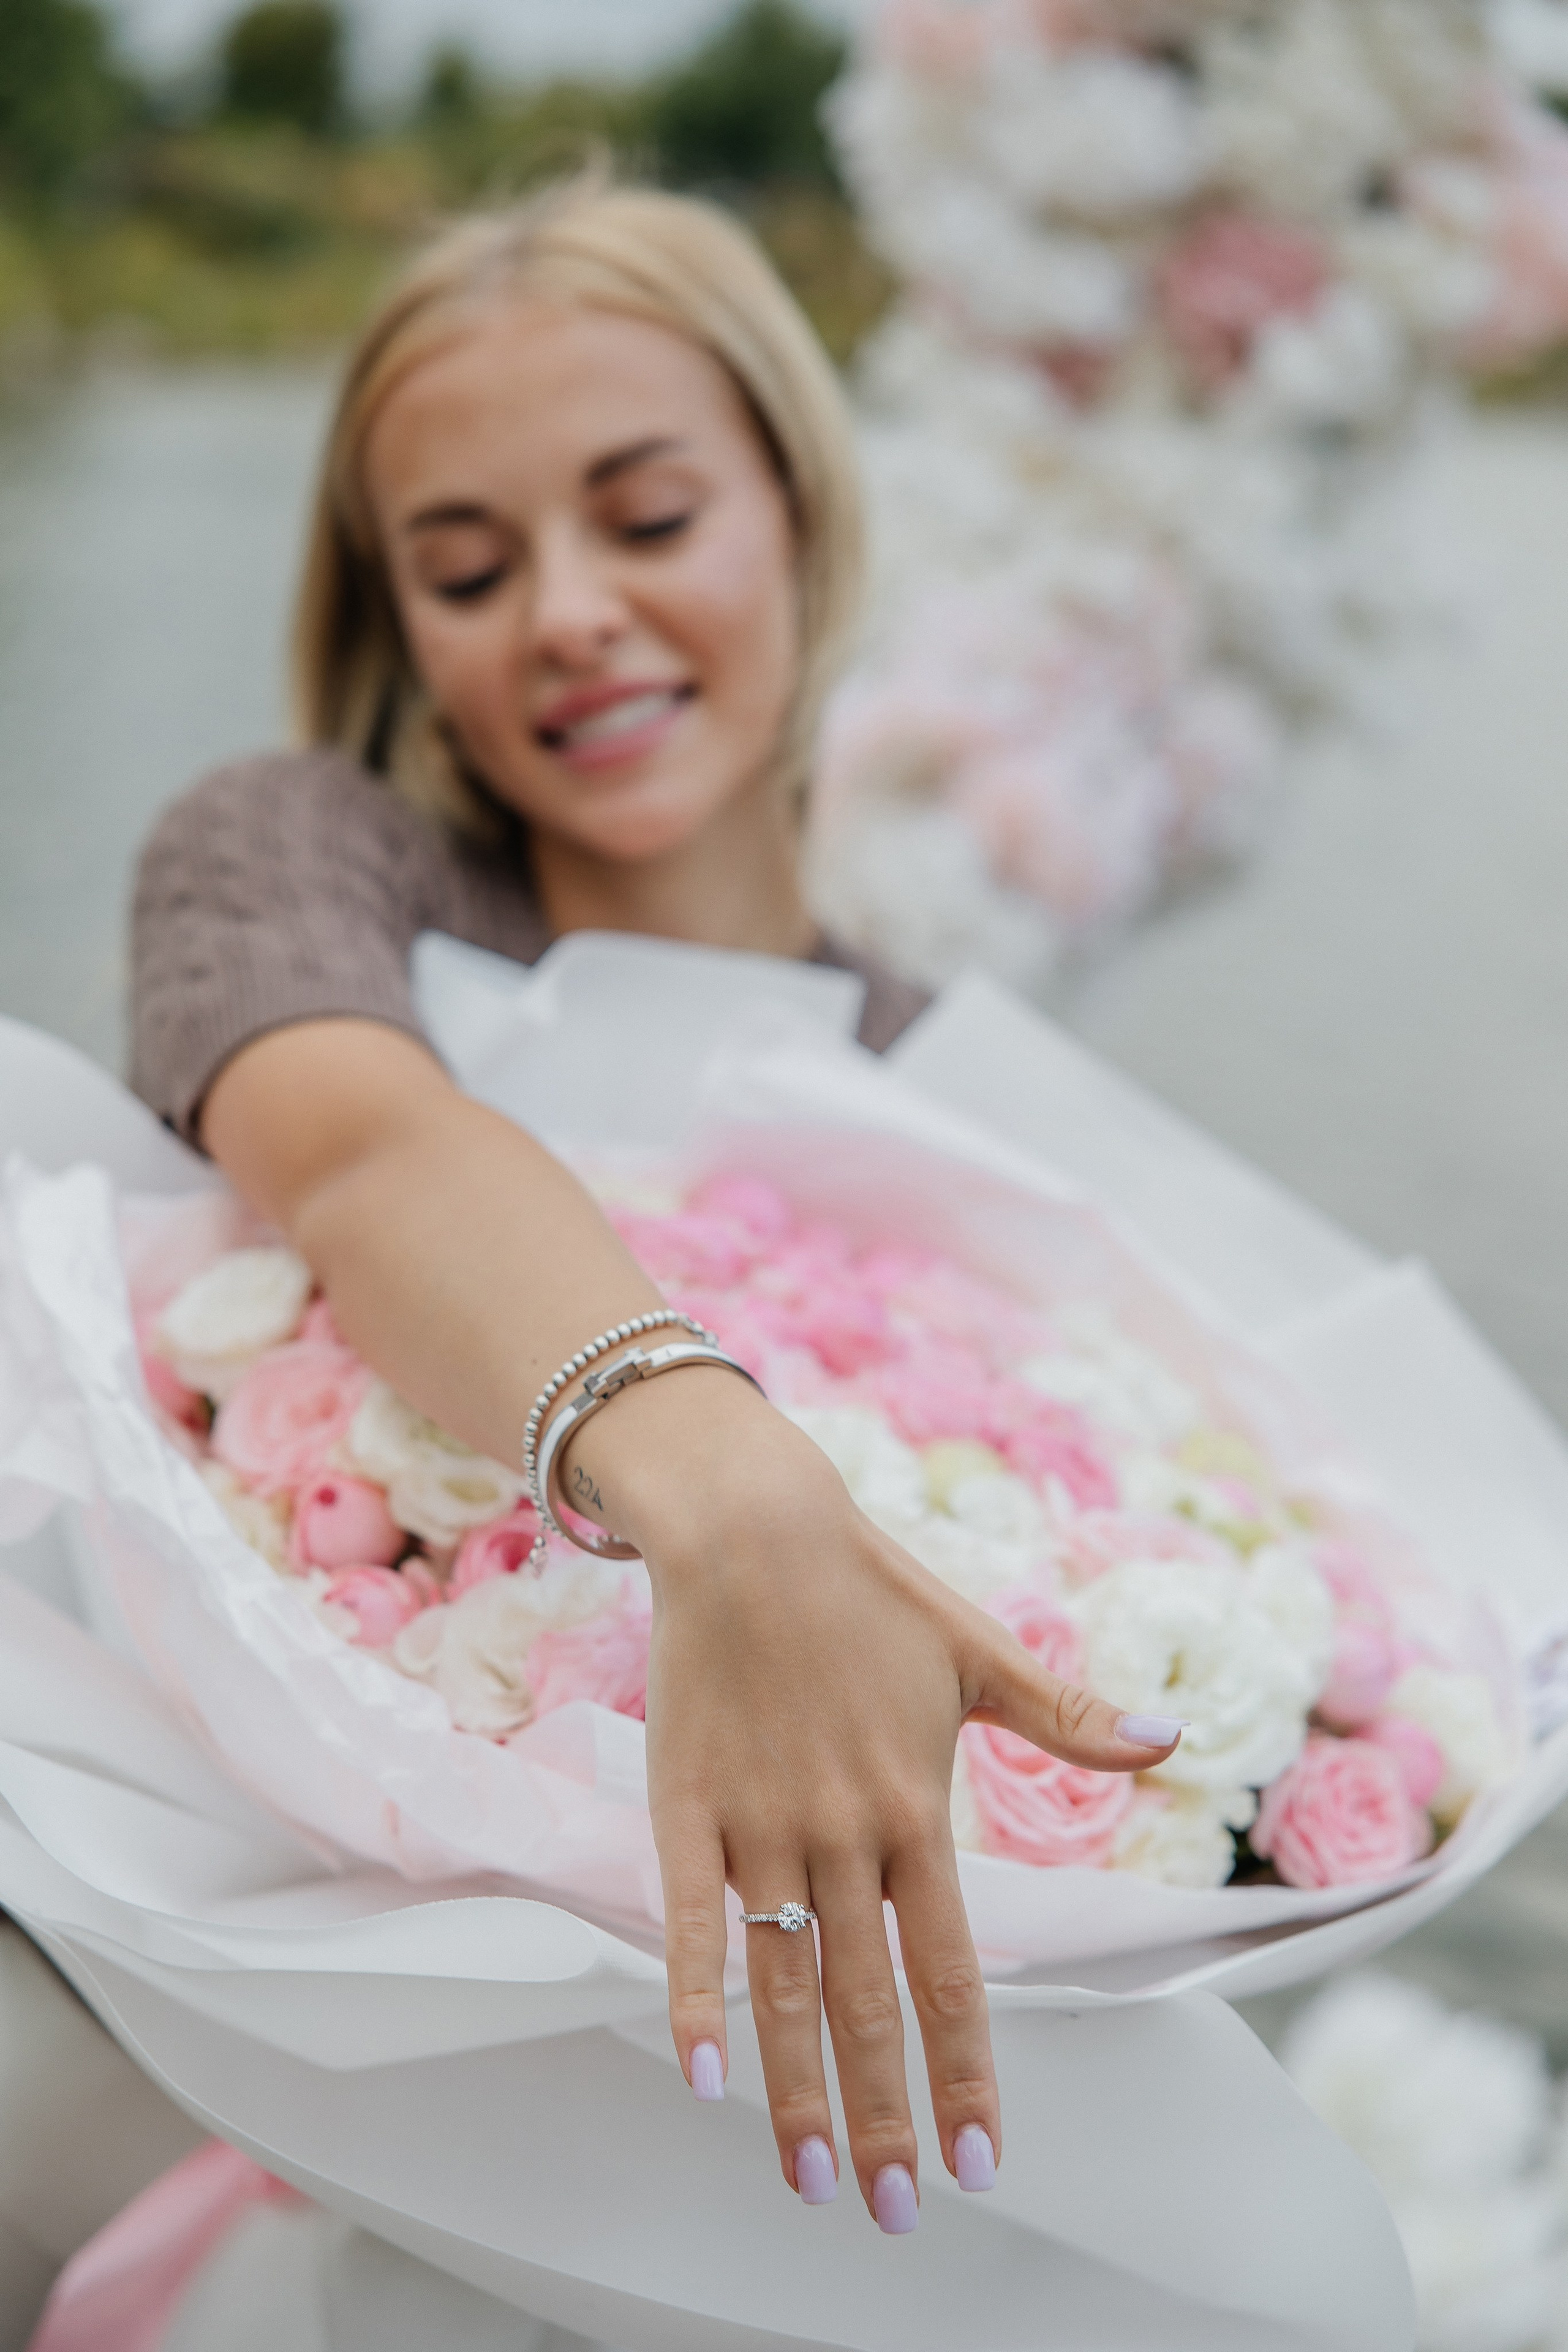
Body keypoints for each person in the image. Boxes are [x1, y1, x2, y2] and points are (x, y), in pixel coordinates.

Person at [130, 176, 1182, 2241]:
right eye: (465, 564)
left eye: (650, 518)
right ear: (400, 622)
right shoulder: (295, 860)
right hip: (379, 2132)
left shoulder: (946, 1065)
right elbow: (364, 1149)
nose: (568, 614)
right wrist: (736, 1493)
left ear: (801, 508)